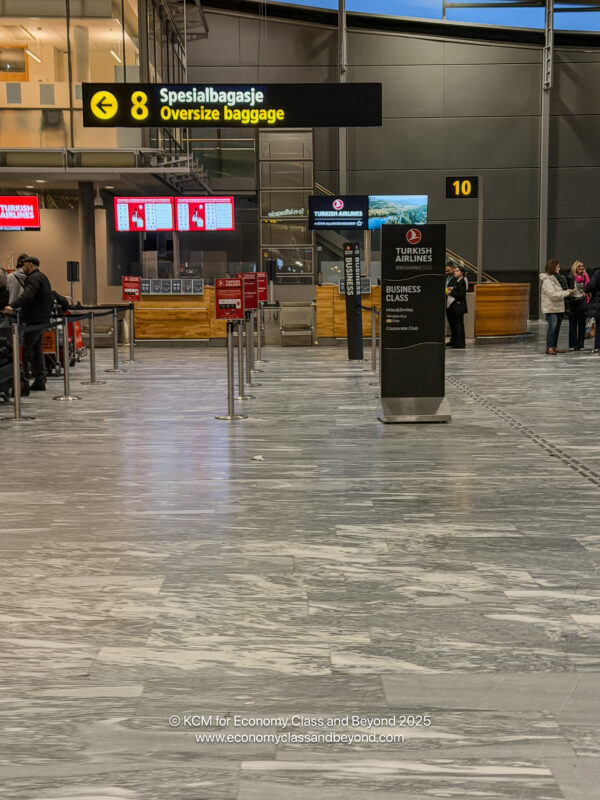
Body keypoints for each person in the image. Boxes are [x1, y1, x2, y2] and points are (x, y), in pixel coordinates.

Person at [3, 255, 54, 392]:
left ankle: (23, 382)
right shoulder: (42, 277)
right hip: (41, 319)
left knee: (26, 350)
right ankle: (39, 379)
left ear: (30, 264)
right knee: (37, 350)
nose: (22, 267)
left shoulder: (33, 278)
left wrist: (12, 306)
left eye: (23, 264)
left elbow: (28, 295)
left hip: (34, 320)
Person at [540, 259, 574, 355]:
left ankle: (554, 346)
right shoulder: (547, 281)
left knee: (557, 328)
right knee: (552, 327)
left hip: (559, 307)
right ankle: (549, 347)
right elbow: (552, 295)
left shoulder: (558, 278)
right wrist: (567, 292)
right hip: (551, 309)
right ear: (553, 268)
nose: (559, 268)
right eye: (558, 267)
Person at [567, 260, 589, 351]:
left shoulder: (585, 277)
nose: (581, 268)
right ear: (575, 267)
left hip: (582, 302)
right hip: (573, 302)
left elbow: (589, 287)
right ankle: (573, 345)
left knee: (582, 325)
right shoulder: (571, 277)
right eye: (579, 266)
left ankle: (580, 344)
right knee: (572, 325)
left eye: (582, 266)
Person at [446, 265, 468, 348]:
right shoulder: (458, 280)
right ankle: (455, 341)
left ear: (461, 273)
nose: (455, 272)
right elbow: (457, 290)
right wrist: (452, 289)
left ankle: (460, 344)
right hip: (455, 306)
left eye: (457, 271)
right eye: (455, 271)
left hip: (459, 307)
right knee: (455, 325)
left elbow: (461, 294)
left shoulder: (462, 281)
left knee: (459, 326)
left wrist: (450, 292)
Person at [586, 266, 600, 354]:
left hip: (598, 302)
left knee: (598, 325)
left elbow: (590, 285)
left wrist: (589, 291)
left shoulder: (598, 273)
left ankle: (598, 347)